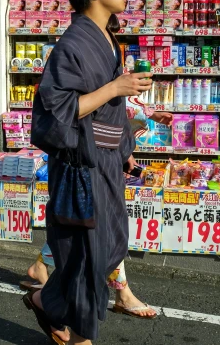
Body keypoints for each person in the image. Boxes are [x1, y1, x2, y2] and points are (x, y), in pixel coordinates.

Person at [27, 0, 153, 345]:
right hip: (80, 171)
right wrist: (116, 87)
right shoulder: (71, 45)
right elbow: (58, 112)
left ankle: (47, 301)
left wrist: (126, 141)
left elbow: (105, 111)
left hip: (106, 163)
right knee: (86, 257)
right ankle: (80, 336)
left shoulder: (106, 37)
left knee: (108, 248)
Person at [22, 104, 173, 321]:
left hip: (99, 155)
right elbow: (107, 100)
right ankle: (119, 294)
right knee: (102, 228)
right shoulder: (88, 74)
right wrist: (150, 115)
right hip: (87, 157)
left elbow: (116, 103)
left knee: (93, 227)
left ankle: (43, 272)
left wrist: (123, 149)